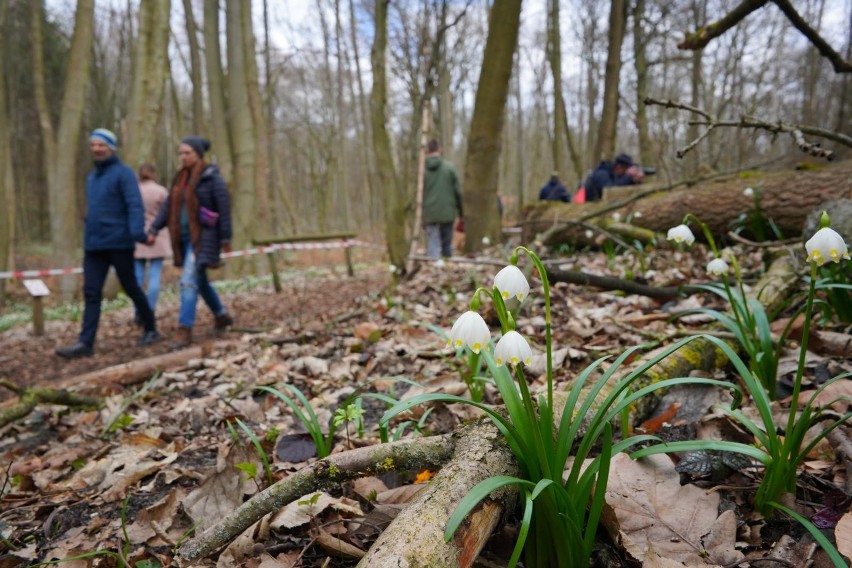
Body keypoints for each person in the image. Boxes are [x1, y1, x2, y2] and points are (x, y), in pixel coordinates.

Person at [55, 129, 162, 358]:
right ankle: (85, 343)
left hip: (119, 243)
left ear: (111, 148)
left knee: (131, 287)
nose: (96, 149)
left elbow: (134, 205)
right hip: (94, 245)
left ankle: (151, 328)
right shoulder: (92, 177)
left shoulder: (124, 174)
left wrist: (138, 234)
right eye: (93, 145)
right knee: (91, 292)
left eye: (101, 145)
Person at [148, 136, 233, 348]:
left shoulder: (211, 177)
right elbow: (168, 207)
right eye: (181, 153)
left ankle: (184, 329)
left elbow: (224, 208)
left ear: (198, 154)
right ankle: (221, 315)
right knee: (199, 280)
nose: (183, 157)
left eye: (188, 153)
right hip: (182, 238)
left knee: (188, 281)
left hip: (204, 238)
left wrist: (225, 238)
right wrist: (154, 228)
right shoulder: (180, 179)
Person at [133, 164, 171, 325]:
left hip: (138, 235)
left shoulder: (134, 190)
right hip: (158, 236)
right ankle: (150, 309)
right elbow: (168, 212)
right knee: (155, 274)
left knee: (138, 276)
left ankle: (138, 311)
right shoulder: (161, 191)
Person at [422, 139, 462, 259]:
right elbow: (457, 192)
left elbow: (418, 193)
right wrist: (461, 211)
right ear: (440, 149)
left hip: (429, 212)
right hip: (447, 211)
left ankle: (434, 266)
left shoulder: (421, 170)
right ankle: (446, 266)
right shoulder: (449, 168)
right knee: (446, 243)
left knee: (433, 242)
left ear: (427, 151)